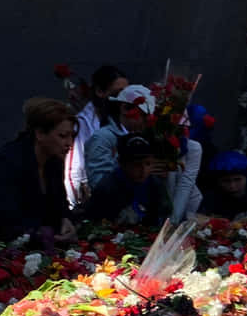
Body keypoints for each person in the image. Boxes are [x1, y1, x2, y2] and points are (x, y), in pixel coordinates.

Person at [0, 98, 78, 242]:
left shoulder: (54, 161)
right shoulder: (8, 163)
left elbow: (60, 203)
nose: (69, 143)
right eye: (62, 136)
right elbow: (8, 219)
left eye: (72, 136)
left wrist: (66, 220)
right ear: (40, 134)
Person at [67, 64, 127, 204]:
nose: (123, 99)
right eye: (118, 93)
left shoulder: (120, 123)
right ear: (100, 91)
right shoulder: (81, 123)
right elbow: (73, 172)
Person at [80, 136, 172, 226]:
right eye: (137, 165)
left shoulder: (155, 185)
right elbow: (95, 222)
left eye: (148, 164)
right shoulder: (107, 188)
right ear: (122, 163)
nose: (143, 170)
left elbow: (164, 215)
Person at [81, 83, 154, 190]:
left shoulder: (142, 139)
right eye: (143, 115)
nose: (146, 121)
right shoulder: (102, 138)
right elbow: (98, 182)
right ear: (124, 109)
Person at [199, 151, 247, 221]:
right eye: (226, 181)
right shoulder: (212, 196)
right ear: (218, 181)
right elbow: (201, 219)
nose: (232, 186)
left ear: (246, 177)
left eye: (237, 180)